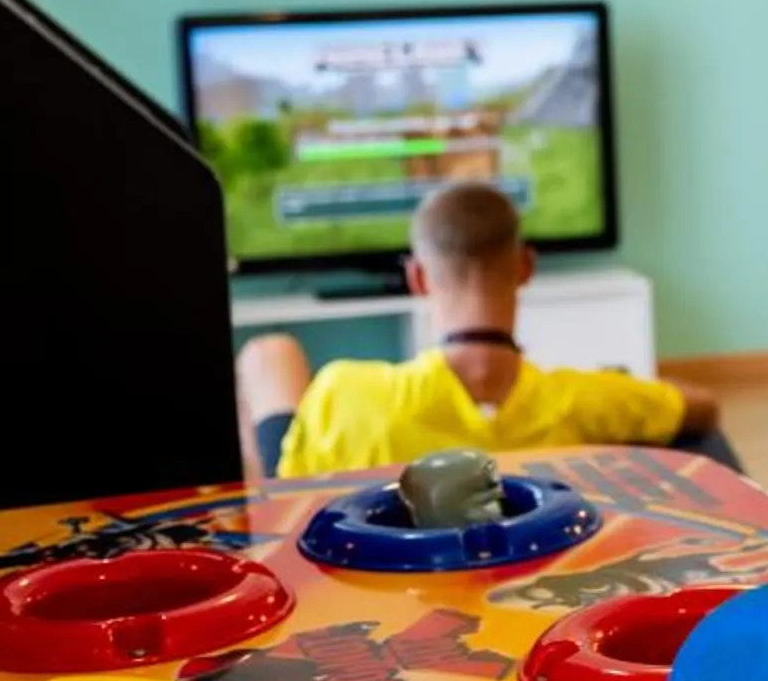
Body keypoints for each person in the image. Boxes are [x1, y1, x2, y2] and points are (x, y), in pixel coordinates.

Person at [237, 180, 725, 480]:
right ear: (526, 267)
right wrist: (636, 388)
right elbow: (703, 409)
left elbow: (292, 486)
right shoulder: (587, 400)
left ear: (418, 278)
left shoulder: (346, 391)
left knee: (270, 352)